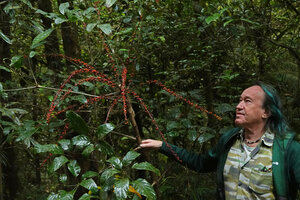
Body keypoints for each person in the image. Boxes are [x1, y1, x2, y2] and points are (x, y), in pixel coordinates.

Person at [139, 82, 300, 200]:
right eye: (240, 100)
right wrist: (162, 146)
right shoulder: (229, 140)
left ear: (266, 112)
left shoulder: (288, 149)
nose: (238, 106)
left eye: (247, 101)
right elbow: (200, 163)